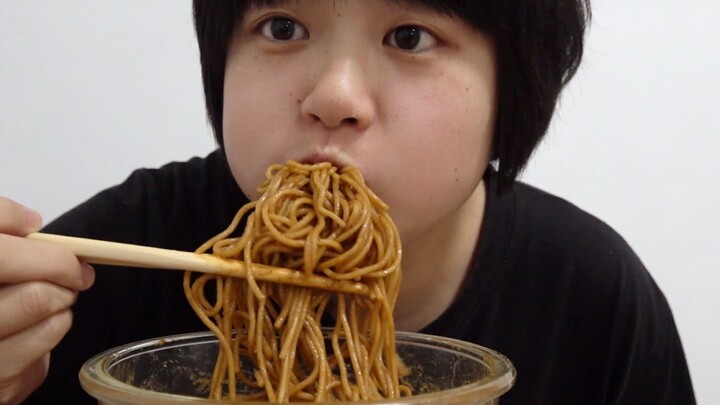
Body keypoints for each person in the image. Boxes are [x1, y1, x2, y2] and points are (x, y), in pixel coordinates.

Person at [0, 0, 696, 404]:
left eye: (410, 37)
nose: (332, 94)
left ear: (511, 93)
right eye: (281, 26)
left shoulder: (591, 303)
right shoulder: (102, 269)